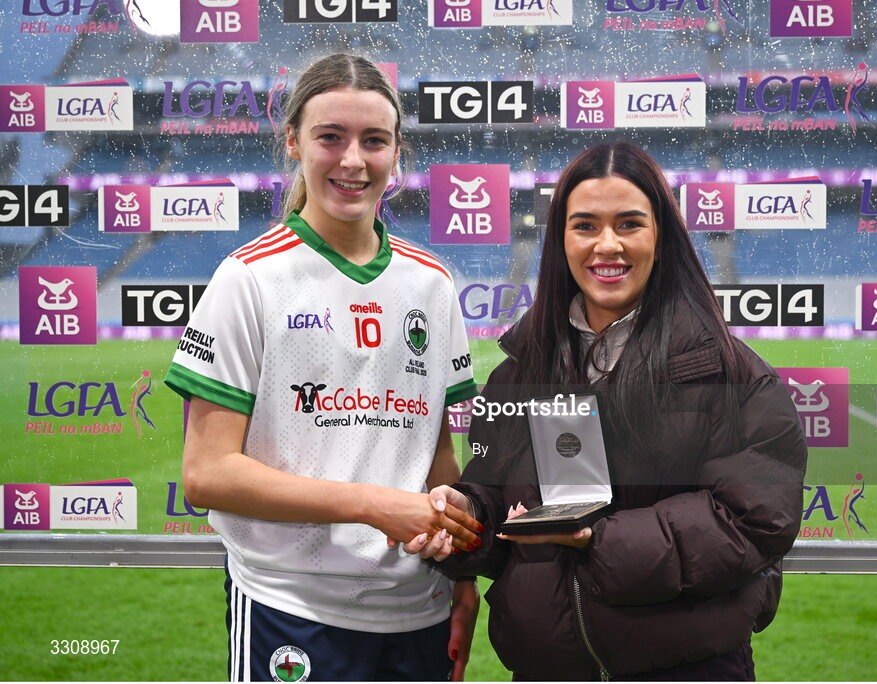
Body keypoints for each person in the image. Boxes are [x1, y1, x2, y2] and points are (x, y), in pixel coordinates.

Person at [407, 142, 808, 680]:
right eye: (586, 226)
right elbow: (501, 503)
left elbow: (756, 521)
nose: (608, 245)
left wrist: (599, 537)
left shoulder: (728, 372)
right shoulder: (519, 373)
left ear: (661, 238)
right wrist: (462, 520)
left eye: (629, 224)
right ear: (562, 242)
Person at [164, 53, 483, 682]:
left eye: (374, 140)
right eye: (330, 137)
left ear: (398, 152)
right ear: (293, 143)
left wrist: (460, 578)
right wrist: (369, 504)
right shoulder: (250, 278)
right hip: (292, 608)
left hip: (420, 611)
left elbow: (437, 452)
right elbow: (206, 474)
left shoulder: (432, 283)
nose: (353, 161)